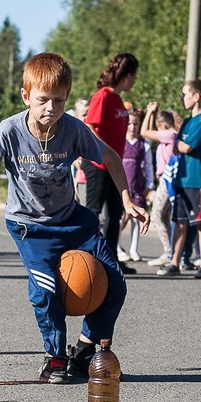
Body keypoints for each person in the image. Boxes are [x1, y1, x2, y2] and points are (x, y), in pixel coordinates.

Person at [0, 52, 149, 384]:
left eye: (59, 100)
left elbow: (110, 157)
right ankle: (55, 358)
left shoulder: (73, 129)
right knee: (47, 291)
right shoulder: (9, 131)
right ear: (26, 96)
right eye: (43, 99)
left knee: (115, 283)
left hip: (72, 220)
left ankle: (86, 350)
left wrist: (127, 199)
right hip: (30, 227)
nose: (51, 107)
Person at [82, 53, 139, 275]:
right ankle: (88, 258)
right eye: (134, 76)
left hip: (115, 167)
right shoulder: (102, 96)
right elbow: (89, 126)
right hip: (98, 164)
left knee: (115, 213)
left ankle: (111, 259)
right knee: (93, 212)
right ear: (126, 75)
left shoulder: (118, 99)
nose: (134, 81)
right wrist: (105, 151)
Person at [157, 79, 201, 279]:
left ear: (196, 97)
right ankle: (174, 262)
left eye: (185, 94)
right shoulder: (188, 122)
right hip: (181, 178)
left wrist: (180, 145)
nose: (183, 98)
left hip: (197, 179)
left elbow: (187, 147)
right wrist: (179, 145)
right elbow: (176, 148)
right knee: (179, 221)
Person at [141, 106, 177, 265]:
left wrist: (149, 112)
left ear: (163, 125)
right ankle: (171, 251)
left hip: (167, 179)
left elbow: (144, 132)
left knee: (156, 215)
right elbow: (148, 134)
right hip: (167, 179)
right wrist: (152, 114)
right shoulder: (171, 135)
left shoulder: (170, 134)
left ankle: (169, 252)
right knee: (164, 217)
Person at [116, 108, 147, 263]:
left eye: (136, 124)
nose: (133, 127)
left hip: (137, 186)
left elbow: (148, 166)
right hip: (122, 187)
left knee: (136, 218)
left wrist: (149, 185)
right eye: (130, 123)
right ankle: (117, 246)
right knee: (120, 217)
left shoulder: (143, 145)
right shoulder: (120, 141)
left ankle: (134, 249)